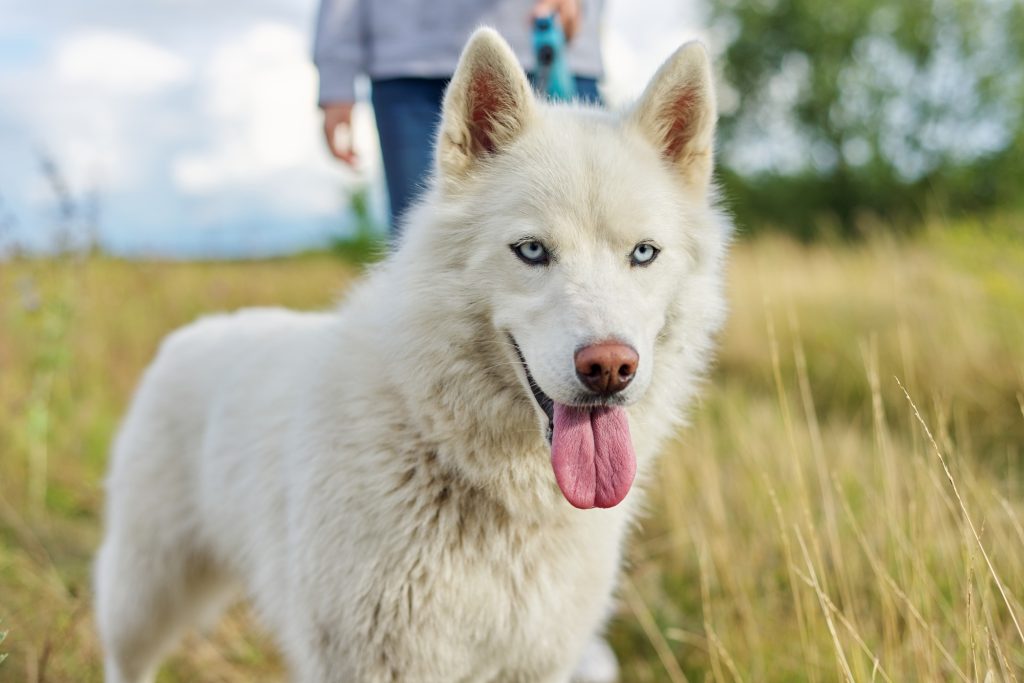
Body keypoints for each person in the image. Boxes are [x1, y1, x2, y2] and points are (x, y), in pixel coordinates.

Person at [314, 0, 605, 233]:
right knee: (426, 247)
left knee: (600, 232)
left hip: (550, 43)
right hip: (405, 60)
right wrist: (335, 74)